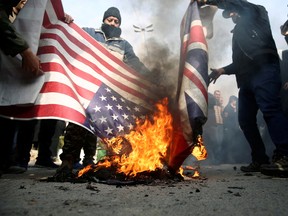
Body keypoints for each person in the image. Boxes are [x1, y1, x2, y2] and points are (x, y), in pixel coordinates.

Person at [56, 7, 152, 177]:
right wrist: (66, 20)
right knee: (78, 123)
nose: (113, 23)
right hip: (87, 88)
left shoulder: (124, 44)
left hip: (109, 93)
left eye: (116, 21)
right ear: (104, 20)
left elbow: (135, 65)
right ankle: (67, 162)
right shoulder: (90, 34)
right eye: (110, 19)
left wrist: (153, 78)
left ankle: (98, 162)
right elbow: (72, 33)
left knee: (112, 127)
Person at [197, 0, 288, 177]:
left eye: (231, 11)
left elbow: (238, 3)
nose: (231, 15)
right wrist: (222, 70)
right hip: (246, 78)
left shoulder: (257, 12)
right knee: (245, 119)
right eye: (229, 13)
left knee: (270, 110)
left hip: (265, 70)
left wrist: (209, 1)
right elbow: (241, 62)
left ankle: (285, 155)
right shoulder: (237, 33)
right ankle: (260, 158)